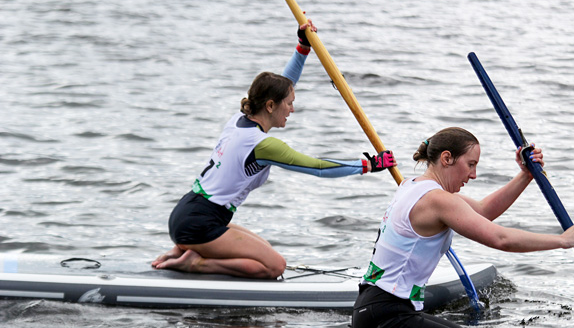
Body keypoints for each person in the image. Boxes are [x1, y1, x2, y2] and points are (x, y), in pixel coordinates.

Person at [334, 127, 574, 328]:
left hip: (374, 314)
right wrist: (561, 241)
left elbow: (483, 211)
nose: (473, 175)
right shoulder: (438, 200)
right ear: (447, 158)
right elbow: (501, 239)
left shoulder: (413, 186)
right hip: (387, 318)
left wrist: (525, 175)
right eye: (470, 165)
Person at [151, 22, 396, 279]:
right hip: (201, 223)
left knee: (265, 251)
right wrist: (368, 165)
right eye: (289, 104)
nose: (292, 109)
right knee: (275, 266)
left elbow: (283, 84)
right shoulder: (263, 145)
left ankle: (183, 250)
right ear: (270, 106)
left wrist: (302, 49)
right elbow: (318, 167)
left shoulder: (238, 119)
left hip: (188, 212)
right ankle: (195, 263)